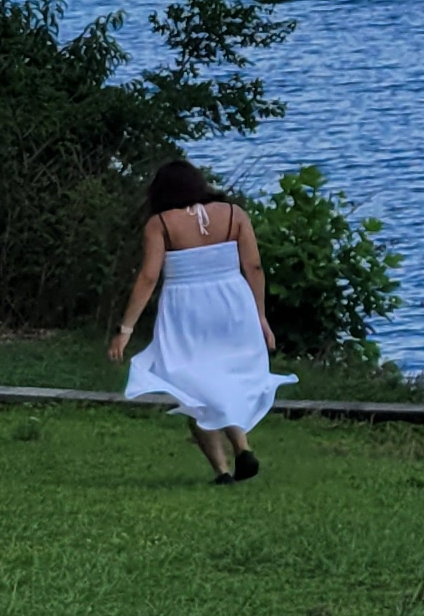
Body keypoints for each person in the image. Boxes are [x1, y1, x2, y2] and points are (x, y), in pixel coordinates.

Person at [109, 160, 295, 484]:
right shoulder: (234, 214)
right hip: (232, 303)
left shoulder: (161, 223)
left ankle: (223, 470)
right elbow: (253, 267)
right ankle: (242, 447)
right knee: (220, 380)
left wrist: (125, 330)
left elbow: (149, 277)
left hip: (186, 309)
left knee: (192, 388)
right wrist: (260, 316)